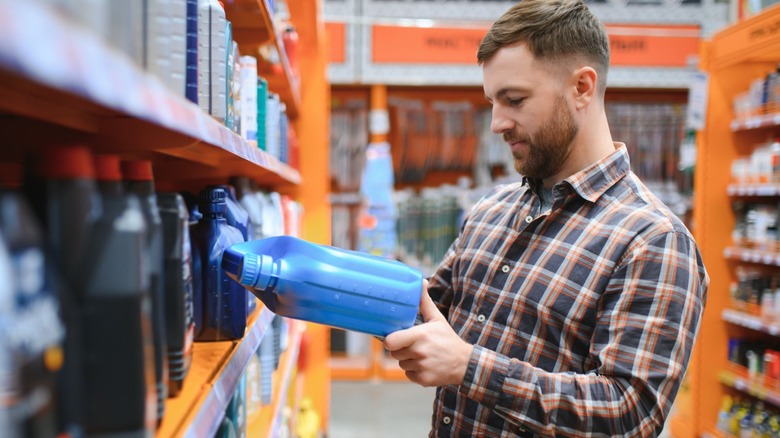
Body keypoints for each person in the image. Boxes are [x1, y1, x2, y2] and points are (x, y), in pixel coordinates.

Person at [383, 0, 709, 436]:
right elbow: (423, 313)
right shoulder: (492, 212)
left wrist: (469, 367)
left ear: (582, 88)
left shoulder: (654, 241)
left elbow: (630, 414)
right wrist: (316, 284)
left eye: (514, 100)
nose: (497, 123)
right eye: (492, 102)